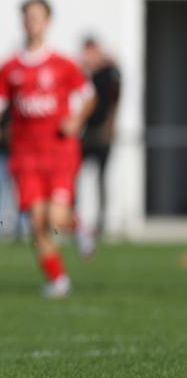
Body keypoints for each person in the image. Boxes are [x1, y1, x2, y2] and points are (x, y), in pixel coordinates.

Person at [0, 0, 95, 299]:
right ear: (23, 21)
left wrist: (76, 119)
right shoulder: (11, 67)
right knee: (37, 222)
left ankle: (78, 226)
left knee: (55, 219)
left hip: (59, 152)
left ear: (48, 22)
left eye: (38, 16)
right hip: (25, 155)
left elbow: (88, 94)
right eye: (28, 16)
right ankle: (58, 280)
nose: (33, 22)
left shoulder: (62, 64)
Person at [79, 36, 121, 250]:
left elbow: (114, 102)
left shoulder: (110, 73)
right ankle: (73, 222)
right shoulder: (88, 74)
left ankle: (103, 222)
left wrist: (109, 128)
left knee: (102, 179)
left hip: (101, 133)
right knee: (74, 175)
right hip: (87, 133)